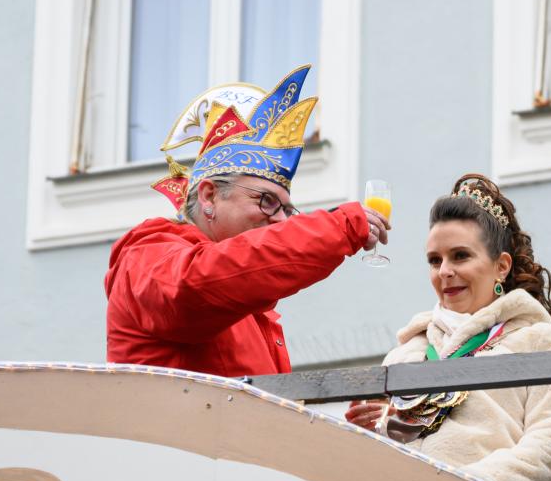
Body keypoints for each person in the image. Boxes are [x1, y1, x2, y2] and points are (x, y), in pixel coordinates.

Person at [105, 66, 390, 377]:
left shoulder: (248, 308)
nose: (281, 221)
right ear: (209, 196)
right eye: (266, 201)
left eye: (286, 210)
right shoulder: (146, 257)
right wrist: (338, 228)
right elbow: (195, 285)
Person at [345, 174, 551, 481]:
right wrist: (376, 432)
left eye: (459, 256)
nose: (444, 271)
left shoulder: (542, 339)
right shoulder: (405, 353)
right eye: (434, 260)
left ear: (501, 266)